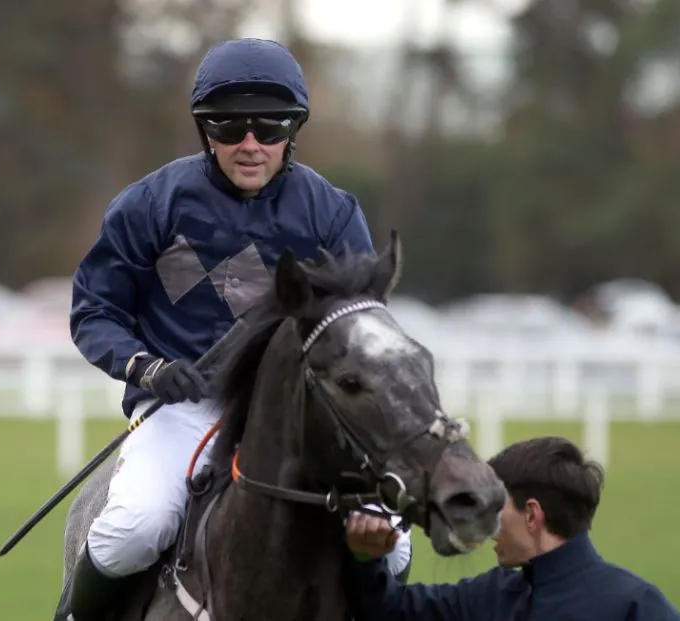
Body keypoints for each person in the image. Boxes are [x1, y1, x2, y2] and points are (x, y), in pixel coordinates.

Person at [65, 37, 412, 620]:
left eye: (270, 127)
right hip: (183, 412)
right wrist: (147, 367)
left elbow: (360, 329)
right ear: (205, 130)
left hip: (295, 418)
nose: (250, 144)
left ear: (292, 131)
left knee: (393, 546)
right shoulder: (150, 204)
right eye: (229, 127)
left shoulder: (331, 213)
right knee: (133, 530)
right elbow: (95, 310)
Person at [343, 435, 680, 621]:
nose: (489, 529)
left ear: (532, 516)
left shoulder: (635, 607)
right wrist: (366, 559)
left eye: (495, 508)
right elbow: (390, 612)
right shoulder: (492, 594)